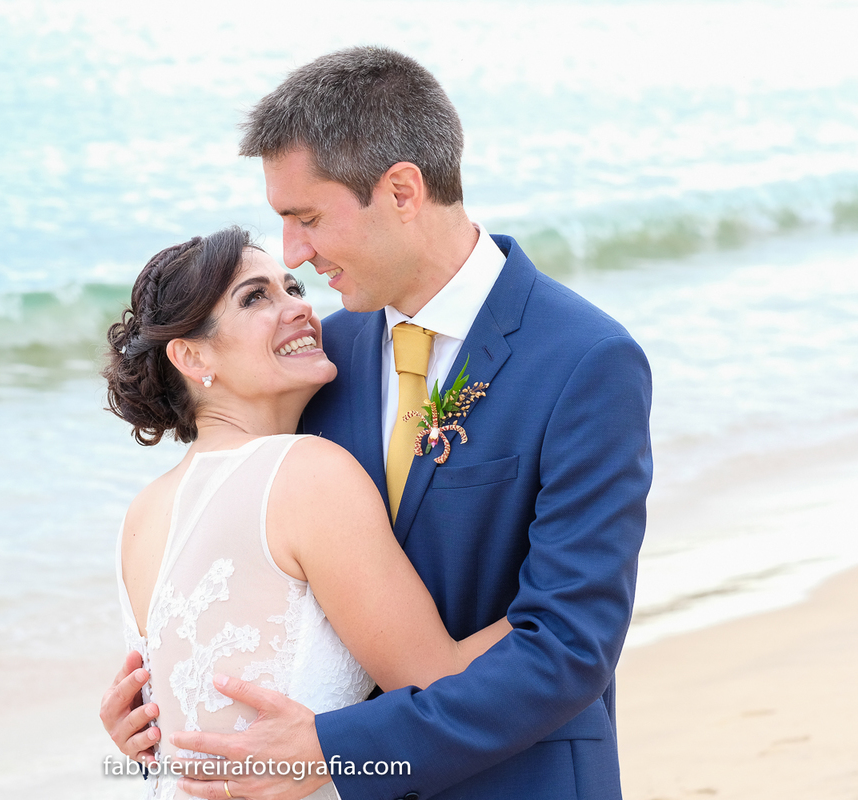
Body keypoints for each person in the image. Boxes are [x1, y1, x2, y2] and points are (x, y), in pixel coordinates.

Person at [103, 46, 653, 800]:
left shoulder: (585, 360)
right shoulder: (321, 360)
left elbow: (570, 644)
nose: (295, 253)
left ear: (400, 191)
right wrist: (165, 715)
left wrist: (335, 752)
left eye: (307, 219)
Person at [103, 226, 513, 799]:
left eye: (293, 287)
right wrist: (560, 609)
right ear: (192, 356)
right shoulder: (307, 473)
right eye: (255, 297)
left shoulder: (142, 513)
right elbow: (438, 684)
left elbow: (166, 726)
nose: (299, 307)